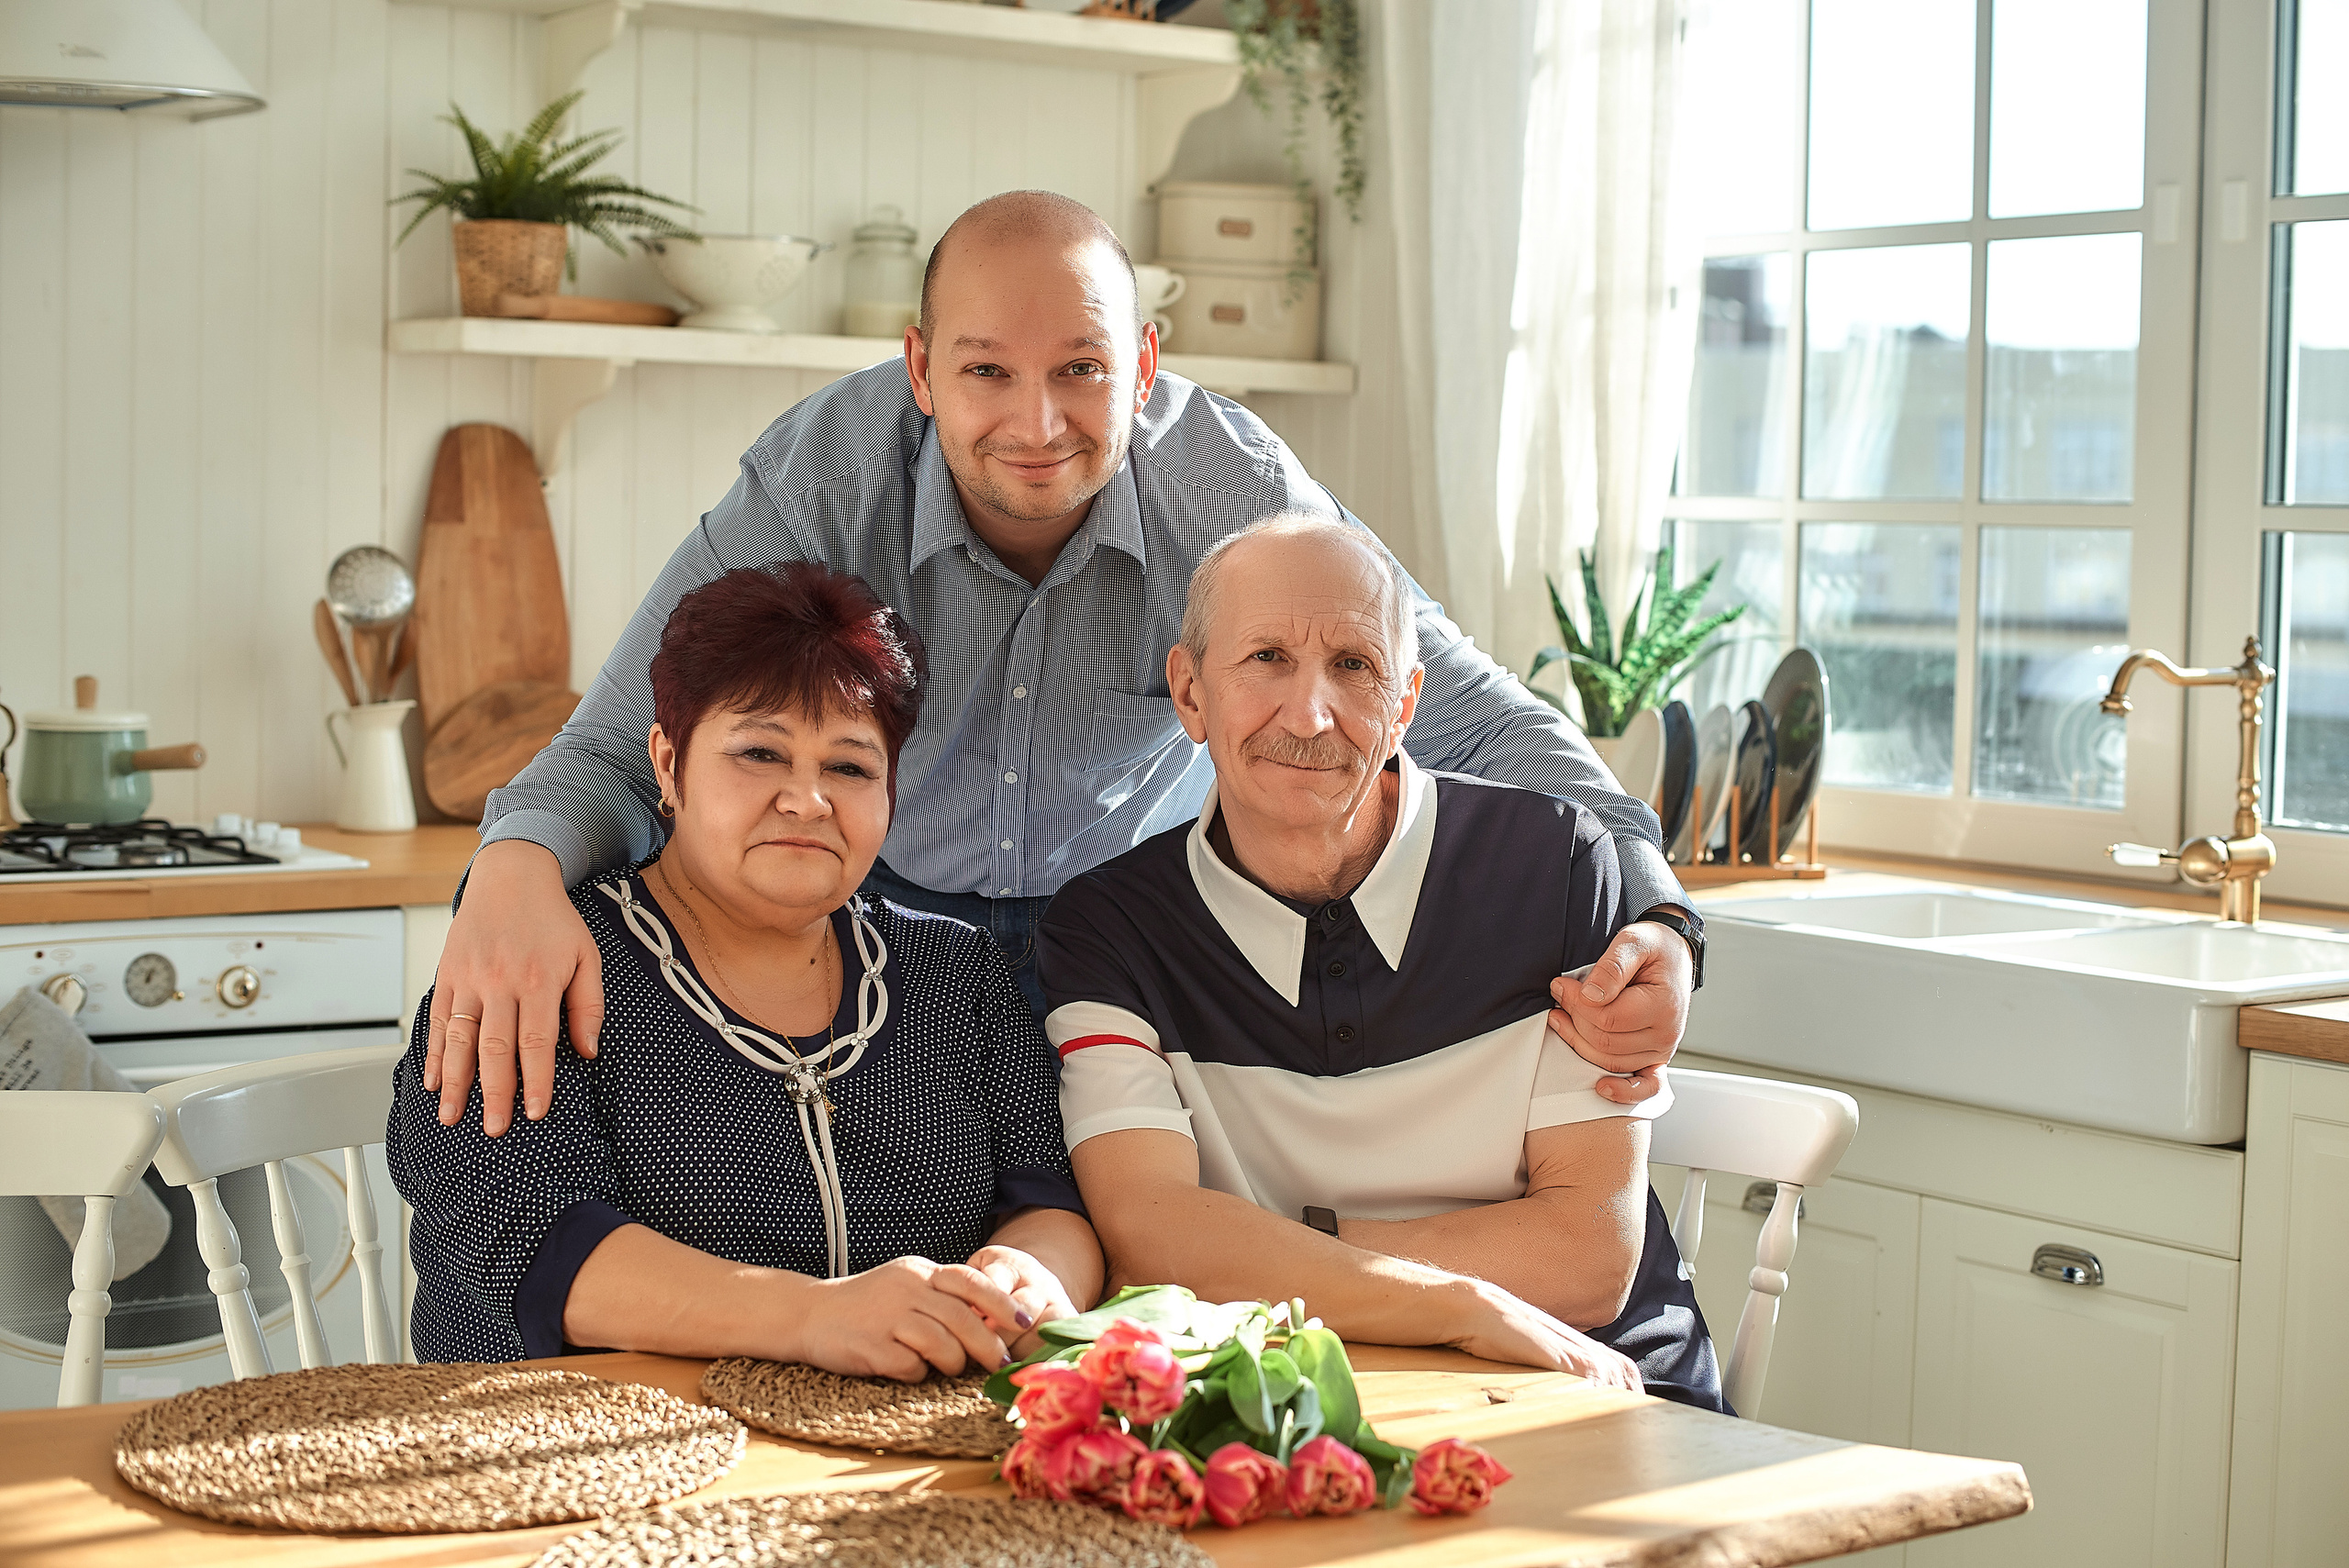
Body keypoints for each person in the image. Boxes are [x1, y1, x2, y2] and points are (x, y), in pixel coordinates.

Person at [426, 188, 1699, 1138]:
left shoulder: (1235, 496)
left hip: (1131, 941)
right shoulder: (821, 481)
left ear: (1143, 371)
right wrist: (514, 868)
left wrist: (1655, 908)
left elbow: (1462, 712)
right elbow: (618, 739)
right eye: (987, 371)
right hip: (872, 931)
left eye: (1082, 371)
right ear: (922, 370)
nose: (1036, 426)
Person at [1037, 516, 1724, 1408]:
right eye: (1266, 659)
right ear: (1190, 692)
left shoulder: (1555, 863)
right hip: (1317, 1390)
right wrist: (1453, 1298)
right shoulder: (1108, 927)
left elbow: (1585, 1256)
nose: (1310, 712)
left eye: (1354, 665)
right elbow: (1151, 1237)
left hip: (1604, 1378)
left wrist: (1289, 1242)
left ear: (1405, 702)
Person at [387, 563, 1101, 1376]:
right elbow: (532, 1251)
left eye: (850, 767)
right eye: (760, 752)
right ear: (668, 762)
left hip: (887, 1458)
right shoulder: (547, 958)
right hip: (573, 1454)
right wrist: (817, 1316)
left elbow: (1049, 1199)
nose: (807, 799)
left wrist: (1028, 1276)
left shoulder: (956, 970)